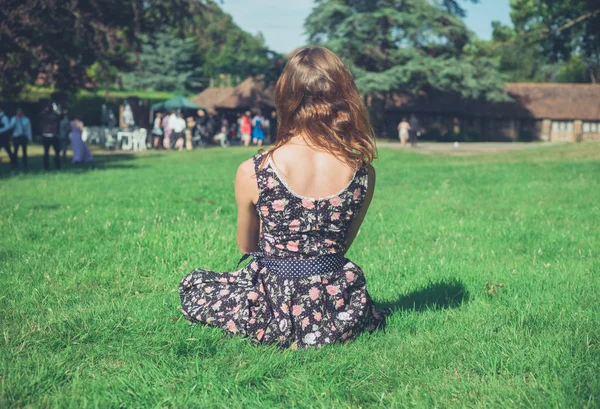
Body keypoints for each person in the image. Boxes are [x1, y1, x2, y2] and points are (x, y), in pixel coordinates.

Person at [179, 46, 385, 349]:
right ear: (343, 97)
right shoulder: (363, 173)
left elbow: (247, 246)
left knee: (195, 286)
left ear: (286, 97)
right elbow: (341, 245)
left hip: (275, 305)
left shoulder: (255, 171)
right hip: (339, 306)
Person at [40, 104, 61, 170]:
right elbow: (59, 115)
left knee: (46, 152)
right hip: (52, 135)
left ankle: (46, 166)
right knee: (56, 152)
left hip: (47, 135)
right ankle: (57, 166)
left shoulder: (44, 115)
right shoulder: (54, 115)